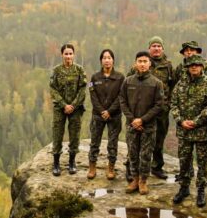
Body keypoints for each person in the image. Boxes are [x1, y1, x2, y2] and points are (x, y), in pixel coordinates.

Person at [170, 55, 207, 207]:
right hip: (184, 131)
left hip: (202, 132)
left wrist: (197, 121)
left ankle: (201, 190)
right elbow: (173, 103)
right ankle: (184, 188)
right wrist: (180, 120)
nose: (194, 67)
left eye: (197, 65)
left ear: (202, 67)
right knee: (184, 160)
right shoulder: (181, 84)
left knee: (203, 163)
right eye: (191, 65)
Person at [129, 36, 176, 179]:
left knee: (159, 139)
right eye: (153, 46)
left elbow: (173, 86)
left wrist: (167, 104)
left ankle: (156, 167)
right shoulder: (140, 64)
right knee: (136, 140)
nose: (156, 48)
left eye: (159, 46)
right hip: (141, 111)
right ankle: (132, 168)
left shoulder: (168, 66)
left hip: (161, 111)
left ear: (162, 48)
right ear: (149, 48)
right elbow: (128, 85)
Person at [119, 51, 166, 195]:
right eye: (140, 61)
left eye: (145, 61)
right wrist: (132, 119)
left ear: (150, 64)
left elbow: (159, 105)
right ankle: (135, 179)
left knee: (146, 155)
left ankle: (143, 181)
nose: (142, 64)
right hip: (131, 125)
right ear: (135, 63)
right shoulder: (128, 81)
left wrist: (142, 120)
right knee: (133, 153)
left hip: (148, 126)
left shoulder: (156, 83)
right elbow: (122, 100)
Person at [49, 43, 88, 176]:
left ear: (74, 55)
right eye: (66, 54)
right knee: (57, 134)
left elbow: (83, 88)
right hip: (60, 108)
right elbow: (53, 89)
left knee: (74, 134)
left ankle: (72, 162)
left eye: (70, 53)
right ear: (62, 55)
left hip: (75, 108)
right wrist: (63, 105)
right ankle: (56, 163)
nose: (68, 56)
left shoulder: (79, 70)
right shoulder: (56, 70)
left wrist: (73, 105)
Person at [87, 49, 125, 180]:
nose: (107, 60)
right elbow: (92, 95)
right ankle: (92, 167)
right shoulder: (94, 78)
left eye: (109, 58)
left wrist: (109, 111)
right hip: (98, 115)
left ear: (113, 60)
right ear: (101, 61)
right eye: (104, 58)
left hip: (114, 115)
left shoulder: (120, 77)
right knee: (94, 141)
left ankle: (111, 168)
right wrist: (102, 111)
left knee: (113, 142)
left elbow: (121, 96)